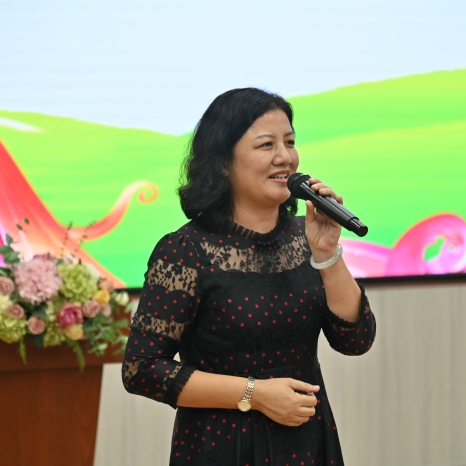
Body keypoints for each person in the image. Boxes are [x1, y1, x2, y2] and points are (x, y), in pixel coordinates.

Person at [122, 87, 376, 465]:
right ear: (223, 161)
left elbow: (355, 341)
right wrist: (255, 395)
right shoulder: (186, 251)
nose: (285, 157)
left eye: (290, 142)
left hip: (307, 441)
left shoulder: (304, 237)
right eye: (266, 145)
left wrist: (327, 254)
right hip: (222, 445)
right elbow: (141, 369)